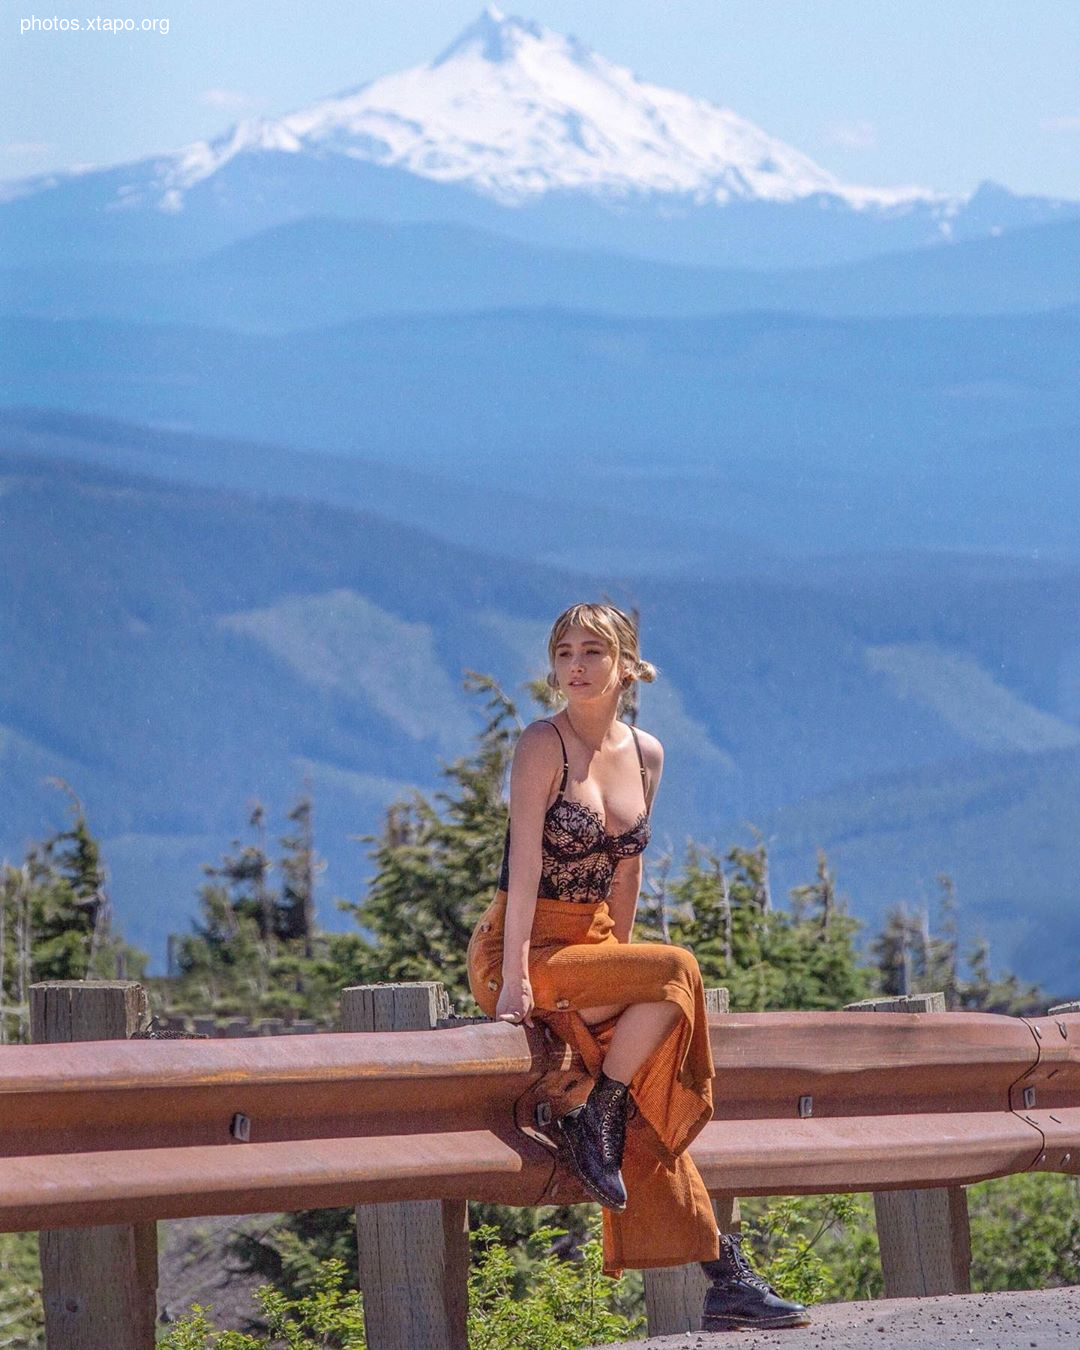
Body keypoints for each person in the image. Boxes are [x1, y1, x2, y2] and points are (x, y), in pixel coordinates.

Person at [467, 602, 808, 1332]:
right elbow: (523, 866)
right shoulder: (542, 744)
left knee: (640, 1083)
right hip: (524, 948)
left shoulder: (647, 753)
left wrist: (622, 971)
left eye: (592, 651)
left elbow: (627, 879)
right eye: (563, 653)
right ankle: (605, 1114)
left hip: (594, 951)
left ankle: (724, 1275)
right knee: (677, 971)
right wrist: (516, 982)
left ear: (627, 664)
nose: (576, 667)